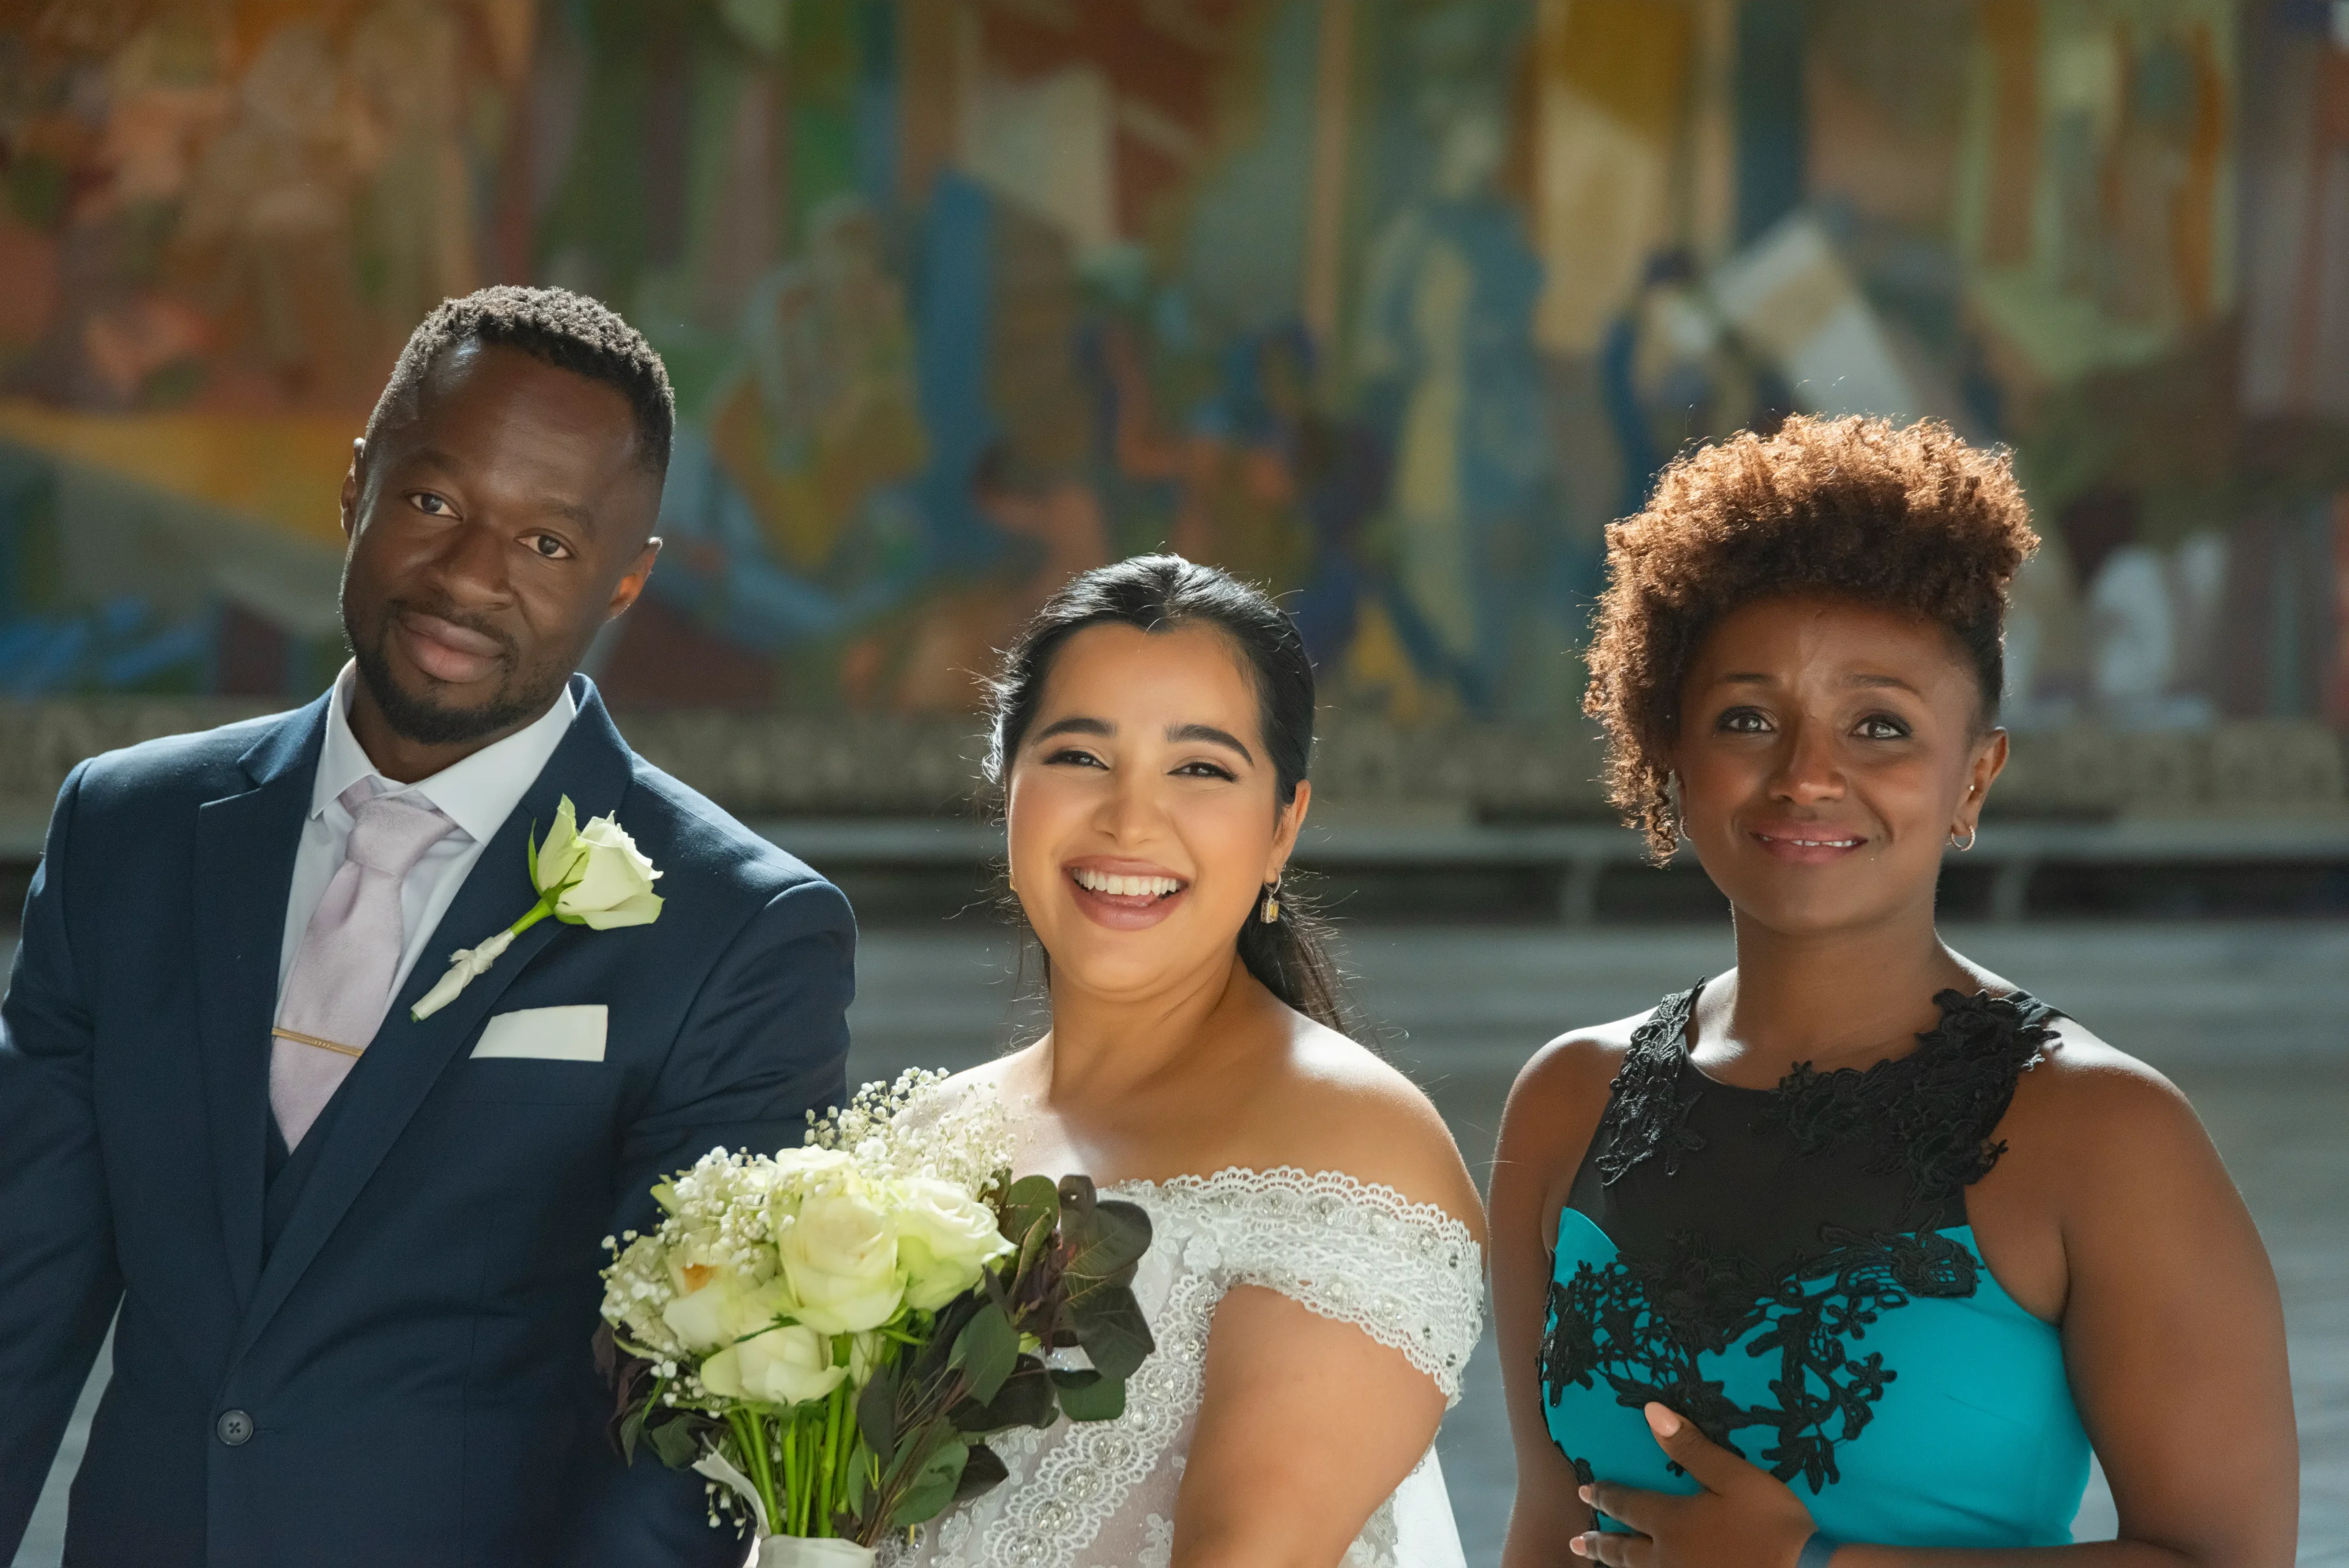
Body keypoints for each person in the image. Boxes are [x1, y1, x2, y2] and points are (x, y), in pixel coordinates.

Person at [0, 286, 856, 1566]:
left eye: (549, 545)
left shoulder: (738, 931)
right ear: (357, 486)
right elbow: (21, 1298)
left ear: (629, 579)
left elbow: (685, 1436)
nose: (467, 578)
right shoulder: (127, 830)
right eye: (436, 503)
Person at [1490, 415, 2298, 1568]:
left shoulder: (2104, 1132)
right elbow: (1543, 1528)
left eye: (1880, 725)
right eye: (1748, 718)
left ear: (1975, 774)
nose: (1809, 774)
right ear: (1667, 748)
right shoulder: (1569, 1099)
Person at [903, 555, 1485, 1568]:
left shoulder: (1353, 1146)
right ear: (1006, 782)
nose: (1131, 819)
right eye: (1081, 756)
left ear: (1283, 826)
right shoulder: (921, 1140)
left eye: (1201, 768)